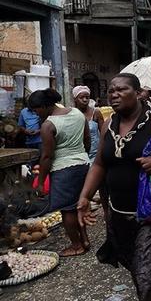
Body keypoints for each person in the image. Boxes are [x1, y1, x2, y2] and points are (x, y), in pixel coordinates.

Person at [77, 73, 151, 301]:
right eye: (111, 90)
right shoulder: (109, 124)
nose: (115, 94)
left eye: (121, 89)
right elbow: (100, 163)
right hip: (119, 212)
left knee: (146, 274)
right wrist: (84, 197)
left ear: (139, 93)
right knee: (135, 267)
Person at [29, 88, 91, 257]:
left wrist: (41, 182)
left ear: (44, 106)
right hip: (83, 164)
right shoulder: (77, 113)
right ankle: (85, 239)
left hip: (64, 170)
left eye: (36, 110)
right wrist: (80, 156)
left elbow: (47, 156)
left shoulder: (48, 125)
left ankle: (77, 245)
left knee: (67, 210)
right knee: (79, 205)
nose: (35, 114)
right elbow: (87, 140)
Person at [73, 86, 104, 164]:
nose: (85, 100)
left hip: (95, 154)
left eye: (87, 97)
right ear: (75, 99)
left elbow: (104, 134)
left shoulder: (96, 113)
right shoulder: (71, 114)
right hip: (78, 154)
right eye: (81, 97)